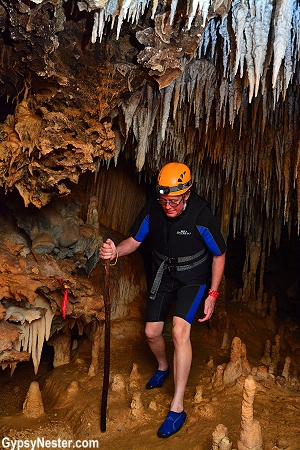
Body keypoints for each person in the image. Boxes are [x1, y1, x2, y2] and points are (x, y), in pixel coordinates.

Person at [99, 162, 226, 438]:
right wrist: (115, 252)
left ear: (187, 195)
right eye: (164, 200)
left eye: (174, 201)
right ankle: (163, 366)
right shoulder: (153, 208)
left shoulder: (201, 214)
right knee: (151, 332)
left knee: (180, 332)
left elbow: (219, 254)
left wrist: (212, 294)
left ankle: (177, 407)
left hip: (193, 280)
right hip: (163, 276)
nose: (168, 206)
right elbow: (134, 240)